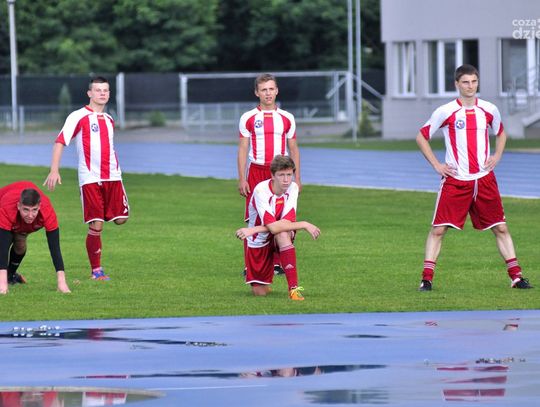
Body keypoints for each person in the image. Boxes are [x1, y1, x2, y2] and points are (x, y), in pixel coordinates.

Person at [416, 64, 532, 291]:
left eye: (474, 82)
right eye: (465, 82)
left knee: (501, 228)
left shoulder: (489, 109)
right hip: (456, 181)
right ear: (457, 84)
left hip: (484, 180)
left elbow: (501, 133)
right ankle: (426, 279)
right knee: (438, 229)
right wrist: (437, 165)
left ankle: (516, 277)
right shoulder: (446, 111)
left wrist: (497, 155)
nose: (470, 86)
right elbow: (422, 136)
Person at [44, 76, 129, 281]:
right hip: (90, 178)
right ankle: (96, 271)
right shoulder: (78, 116)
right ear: (89, 93)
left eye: (105, 90)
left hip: (113, 177)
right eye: (98, 90)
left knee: (121, 219)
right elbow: (60, 141)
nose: (102, 93)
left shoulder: (109, 119)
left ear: (109, 94)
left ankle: (101, 214)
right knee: (96, 224)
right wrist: (54, 170)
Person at [237, 73, 302, 275]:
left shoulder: (287, 118)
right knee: (254, 219)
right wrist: (242, 178)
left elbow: (294, 148)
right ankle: (250, 265)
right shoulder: (248, 117)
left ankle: (276, 263)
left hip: (280, 172)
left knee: (281, 217)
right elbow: (242, 149)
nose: (268, 93)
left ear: (277, 91)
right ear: (257, 93)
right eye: (264, 89)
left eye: (271, 89)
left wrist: (297, 178)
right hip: (257, 170)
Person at [235, 155, 320, 300]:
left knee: (283, 233)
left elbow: (284, 224)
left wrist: (253, 229)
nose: (286, 180)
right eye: (281, 175)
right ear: (272, 175)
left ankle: (293, 290)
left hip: (273, 233)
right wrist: (304, 224)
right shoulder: (261, 190)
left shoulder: (293, 188)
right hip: (259, 240)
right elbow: (273, 227)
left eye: (289, 174)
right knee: (260, 293)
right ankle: (265, 277)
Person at [0, 181, 71, 294]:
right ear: (18, 206)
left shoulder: (47, 211)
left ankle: (10, 276)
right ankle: (3, 280)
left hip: (17, 218)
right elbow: (3, 247)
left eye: (34, 210)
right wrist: (2, 286)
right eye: (26, 210)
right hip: (3, 209)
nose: (30, 215)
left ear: (39, 207)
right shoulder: (7, 207)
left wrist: (62, 282)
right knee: (5, 242)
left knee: (20, 244)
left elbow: (55, 248)